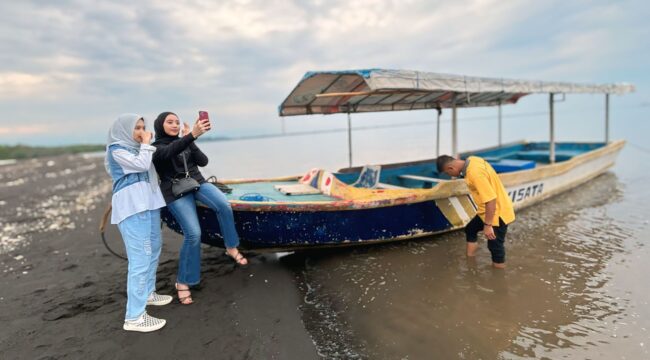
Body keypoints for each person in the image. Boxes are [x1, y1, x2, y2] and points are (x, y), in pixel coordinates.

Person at [152, 111, 247, 305]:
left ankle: (230, 246)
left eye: (177, 122)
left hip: (197, 183)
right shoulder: (155, 148)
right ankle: (183, 282)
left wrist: (191, 140)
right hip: (175, 190)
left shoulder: (185, 141)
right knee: (193, 234)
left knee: (223, 205)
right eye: (170, 122)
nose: (174, 125)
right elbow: (169, 152)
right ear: (160, 125)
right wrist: (190, 136)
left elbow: (203, 162)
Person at [105, 114, 172, 332]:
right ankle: (134, 317)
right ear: (124, 130)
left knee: (153, 249)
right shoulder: (118, 149)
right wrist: (146, 143)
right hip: (133, 208)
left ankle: (148, 294)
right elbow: (142, 165)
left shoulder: (138, 147)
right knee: (140, 258)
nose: (141, 131)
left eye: (143, 127)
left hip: (149, 204)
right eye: (136, 128)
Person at [437, 154, 515, 268]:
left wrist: (488, 225)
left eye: (448, 173)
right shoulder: (473, 160)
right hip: (485, 211)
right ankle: (470, 262)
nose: (450, 176)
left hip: (497, 213)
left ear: (451, 168)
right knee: (470, 229)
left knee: (495, 246)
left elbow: (491, 200)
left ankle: (499, 275)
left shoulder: (475, 174)